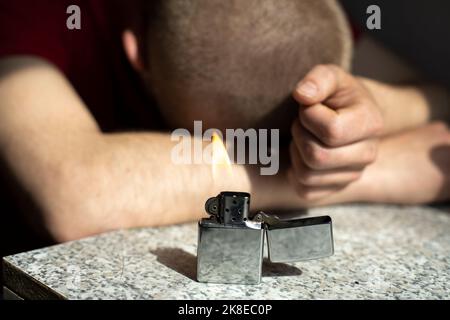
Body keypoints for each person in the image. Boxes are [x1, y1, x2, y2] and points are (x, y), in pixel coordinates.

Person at [0, 0, 448, 256]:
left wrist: (377, 108)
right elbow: (75, 192)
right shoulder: (38, 12)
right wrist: (360, 171)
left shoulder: (282, 15)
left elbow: (437, 101)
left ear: (136, 51)